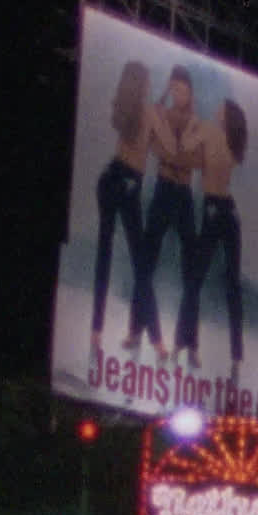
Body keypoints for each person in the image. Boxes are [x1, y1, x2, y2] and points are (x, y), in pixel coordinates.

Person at [174, 98, 249, 372]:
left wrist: (192, 124)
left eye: (221, 108)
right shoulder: (232, 141)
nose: (216, 109)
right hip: (226, 210)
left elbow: (186, 146)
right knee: (229, 285)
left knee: (198, 281)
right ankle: (233, 355)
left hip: (216, 209)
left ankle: (187, 344)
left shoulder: (210, 130)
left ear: (225, 115)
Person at [91, 60, 159, 356]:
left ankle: (96, 332)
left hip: (111, 177)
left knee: (105, 255)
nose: (151, 84)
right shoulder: (147, 112)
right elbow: (161, 145)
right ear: (142, 83)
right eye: (148, 80)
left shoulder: (128, 108)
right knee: (139, 264)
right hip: (128, 183)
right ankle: (155, 338)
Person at [136, 67, 202, 360]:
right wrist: (174, 152)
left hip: (182, 193)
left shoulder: (196, 122)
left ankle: (187, 342)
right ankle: (147, 333)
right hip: (164, 188)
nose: (178, 94)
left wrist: (173, 152)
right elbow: (156, 148)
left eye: (182, 90)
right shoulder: (160, 113)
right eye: (174, 89)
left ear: (190, 92)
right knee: (145, 264)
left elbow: (194, 159)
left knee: (191, 273)